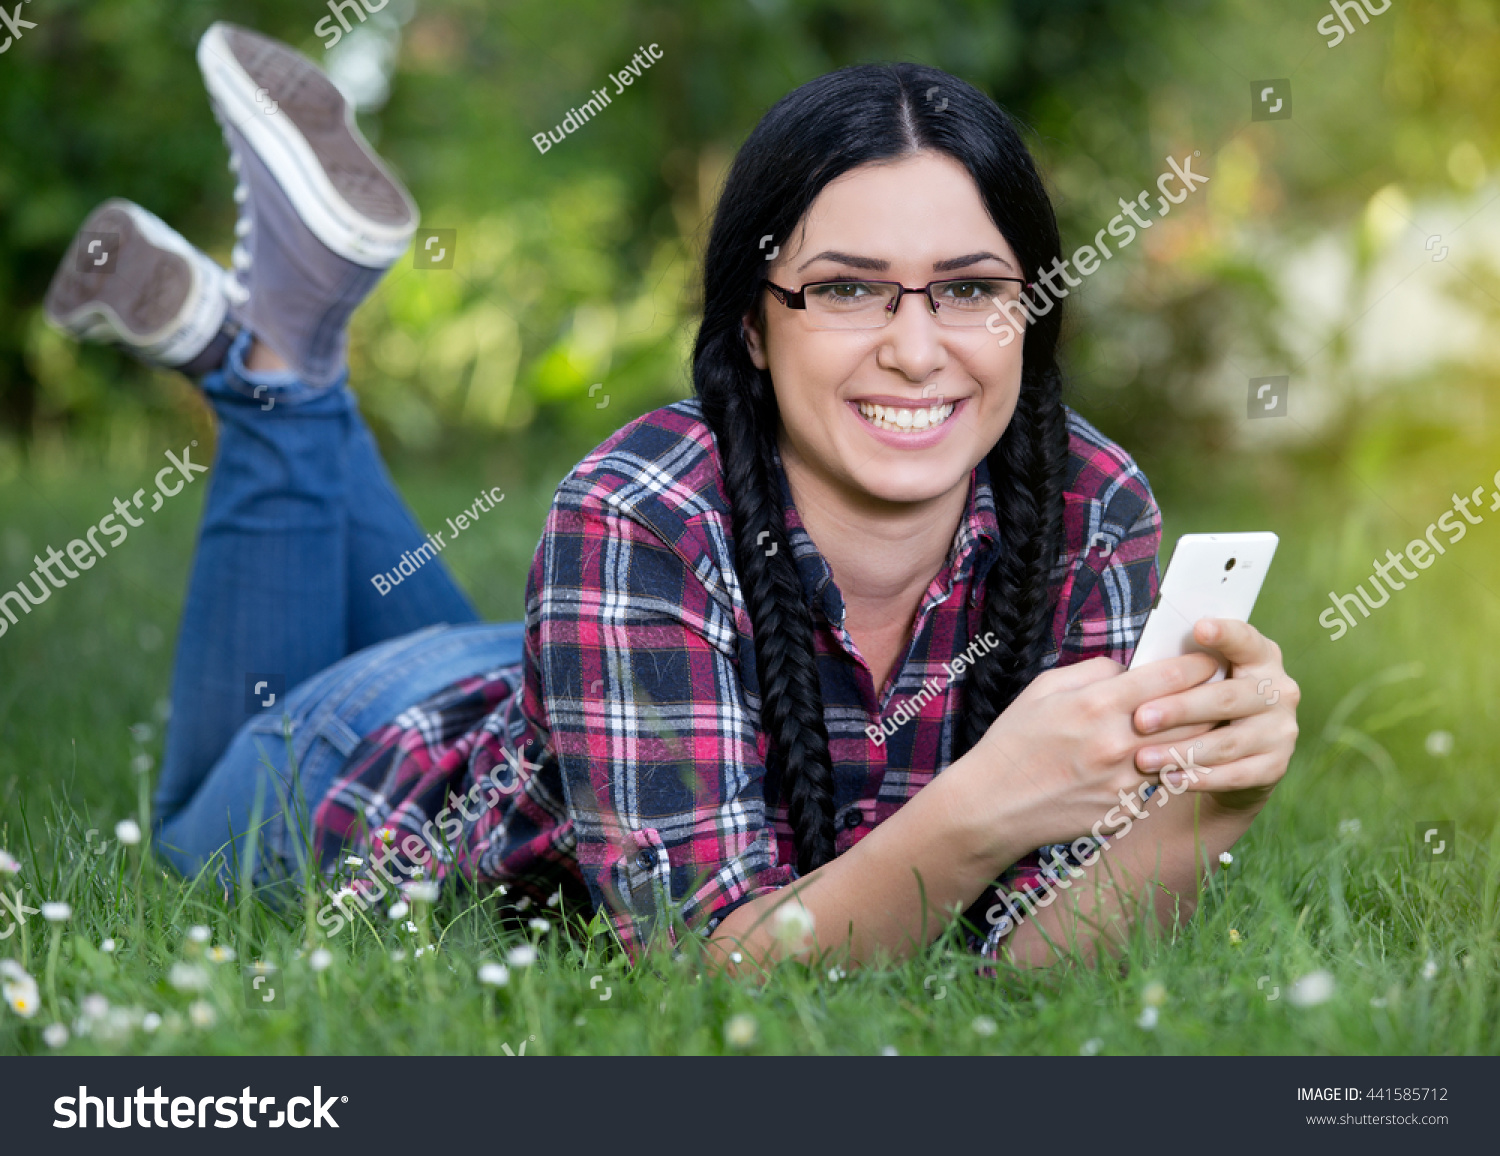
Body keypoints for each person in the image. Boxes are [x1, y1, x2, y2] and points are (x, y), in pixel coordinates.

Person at [44, 23, 1299, 975]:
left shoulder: (1093, 505)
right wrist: (981, 806)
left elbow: (1024, 964)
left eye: (969, 289)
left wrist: (1206, 802)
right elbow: (717, 967)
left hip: (582, 691)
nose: (920, 350)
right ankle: (273, 364)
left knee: (492, 640)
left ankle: (265, 345)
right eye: (850, 290)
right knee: (180, 827)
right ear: (753, 327)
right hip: (369, 763)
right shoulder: (637, 514)